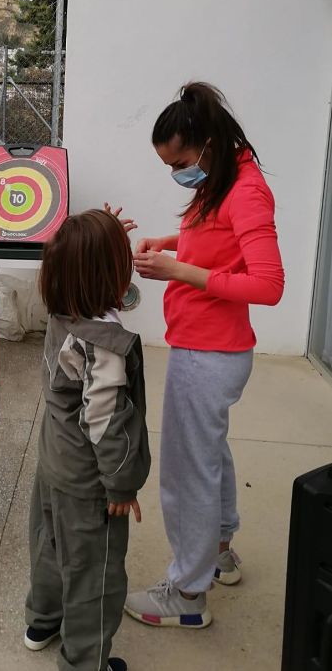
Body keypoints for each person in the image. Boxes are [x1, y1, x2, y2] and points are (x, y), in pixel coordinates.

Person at [124, 82, 285, 629]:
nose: (177, 173)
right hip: (207, 348)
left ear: (208, 144)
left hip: (208, 354)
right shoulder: (223, 180)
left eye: (182, 161)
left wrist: (179, 272)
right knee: (209, 454)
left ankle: (188, 594)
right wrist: (168, 245)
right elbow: (214, 239)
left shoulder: (245, 190)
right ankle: (218, 550)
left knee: (187, 473)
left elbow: (268, 285)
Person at [24, 209, 151, 671]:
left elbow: (84, 264)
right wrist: (120, 483)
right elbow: (105, 422)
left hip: (53, 462)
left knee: (48, 544)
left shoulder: (63, 314)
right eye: (123, 259)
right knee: (93, 574)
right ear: (109, 275)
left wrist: (107, 231)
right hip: (88, 480)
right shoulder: (105, 345)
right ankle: (84, 663)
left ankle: (42, 620)